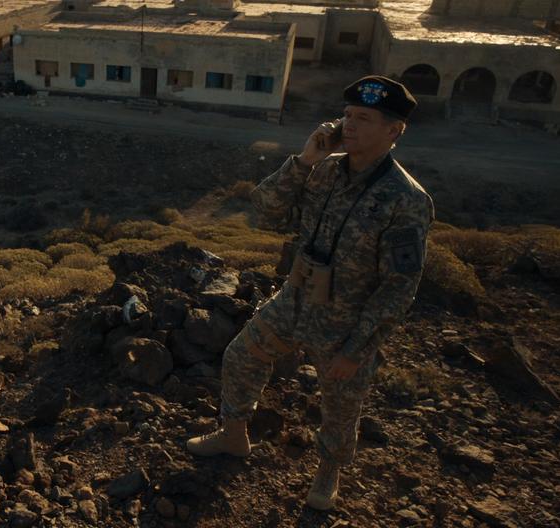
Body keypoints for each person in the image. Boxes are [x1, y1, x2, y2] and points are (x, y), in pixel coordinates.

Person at [186, 75, 434, 511]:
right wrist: (303, 159)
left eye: (364, 119)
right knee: (241, 356)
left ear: (394, 131)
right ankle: (233, 435)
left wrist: (357, 349)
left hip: (346, 320)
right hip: (296, 298)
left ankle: (327, 473)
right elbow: (265, 209)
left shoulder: (406, 199)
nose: (350, 126)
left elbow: (399, 287)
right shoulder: (322, 172)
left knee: (339, 405)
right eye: (347, 116)